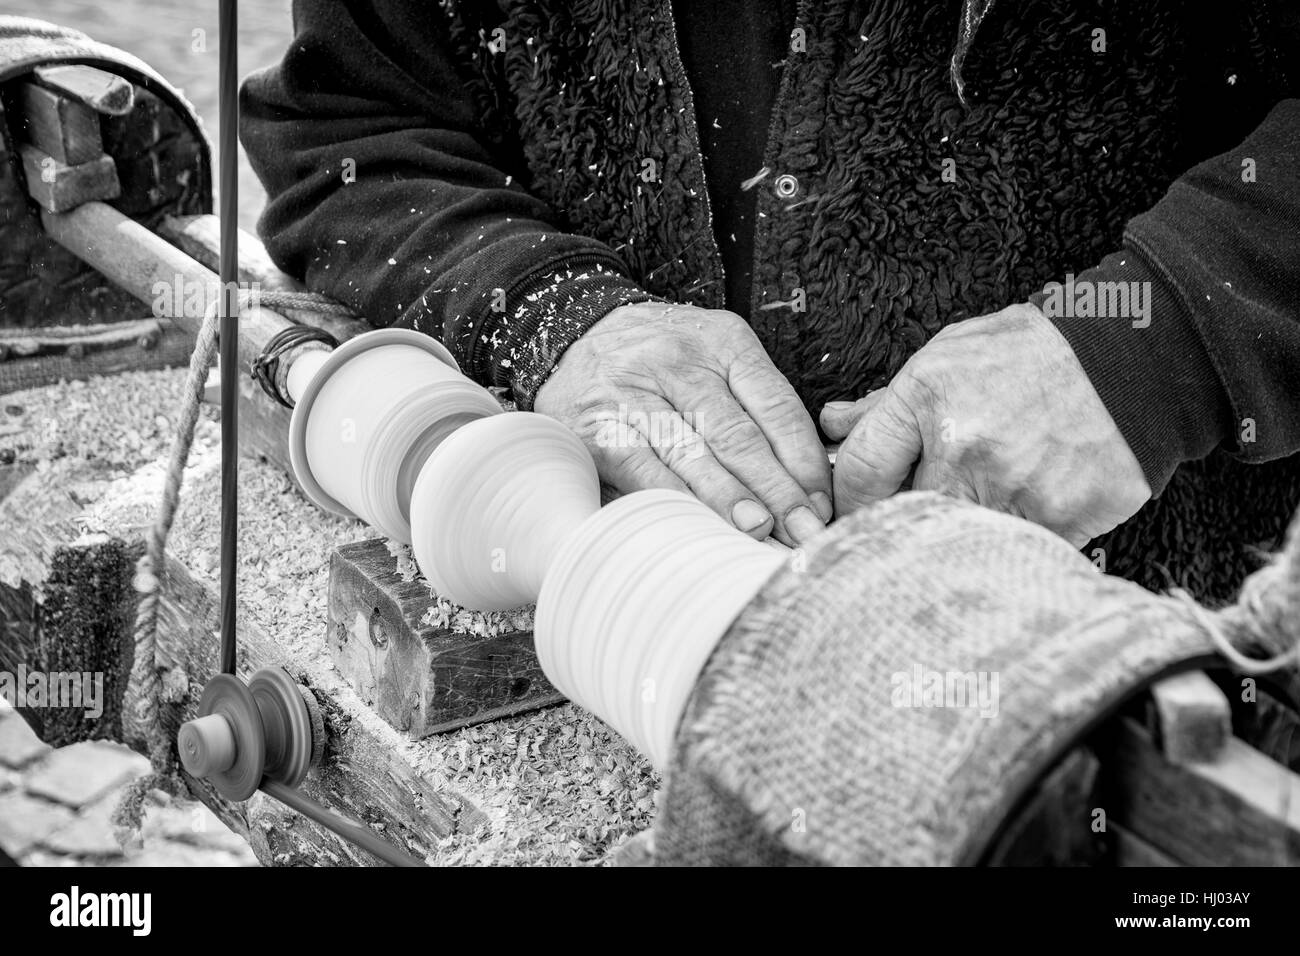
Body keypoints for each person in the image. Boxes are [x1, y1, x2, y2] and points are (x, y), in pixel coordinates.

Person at [242, 0, 1300, 597]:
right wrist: (548, 307)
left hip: (1175, 631)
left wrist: (1157, 340)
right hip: (633, 630)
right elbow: (352, 127)